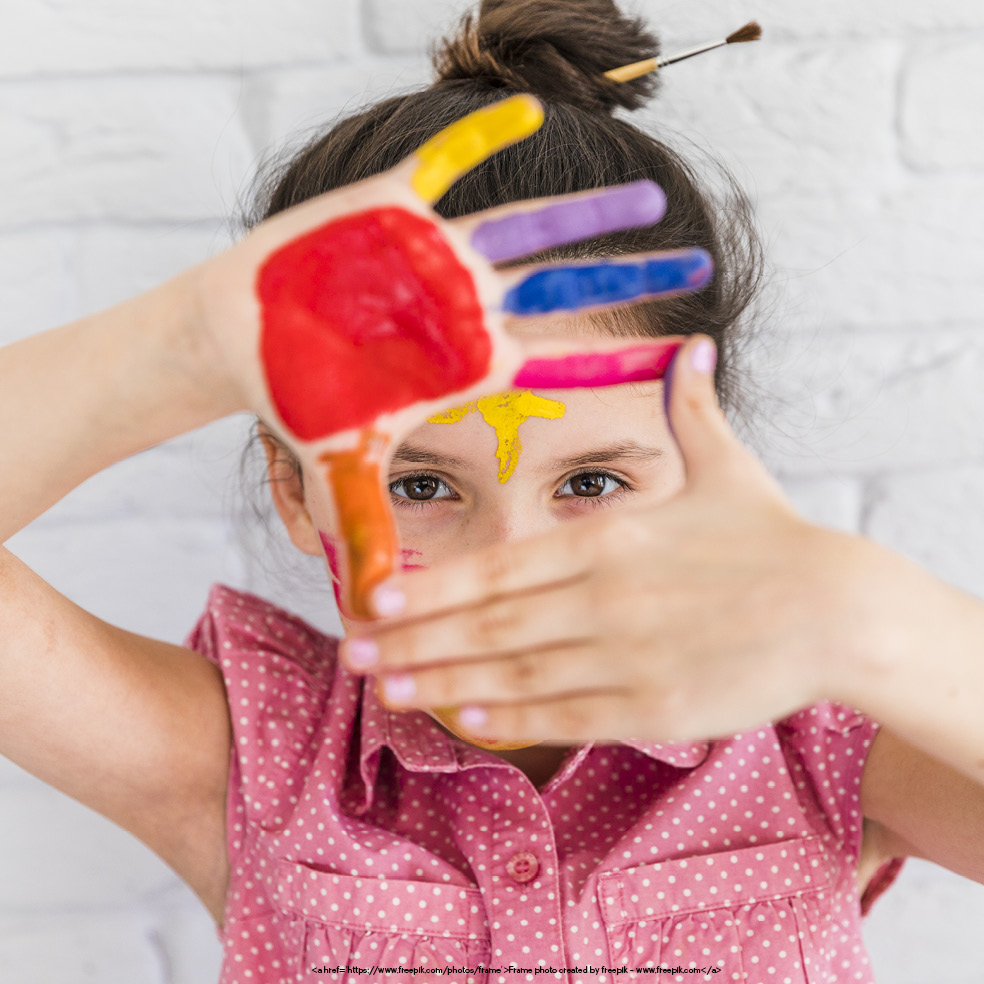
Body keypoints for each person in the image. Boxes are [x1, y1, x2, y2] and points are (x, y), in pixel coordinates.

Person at [3, 1, 981, 982]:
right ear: (296, 492)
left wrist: (861, 616)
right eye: (422, 482)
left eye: (593, 480)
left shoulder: (827, 742)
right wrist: (184, 349)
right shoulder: (255, 762)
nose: (513, 567)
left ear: (703, 474)